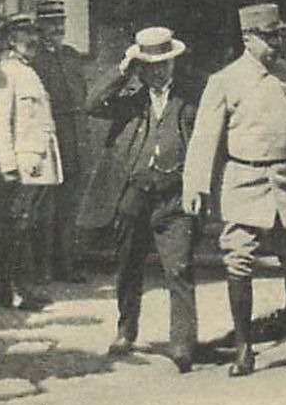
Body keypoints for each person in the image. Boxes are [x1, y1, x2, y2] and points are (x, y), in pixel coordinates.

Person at [184, 3, 286, 378]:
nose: (276, 43)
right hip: (244, 179)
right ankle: (244, 345)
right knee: (239, 260)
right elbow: (205, 137)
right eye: (268, 36)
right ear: (247, 38)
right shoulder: (225, 81)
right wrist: (195, 185)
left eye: (279, 35)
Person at [79, 27, 198, 372]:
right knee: (128, 263)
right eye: (151, 65)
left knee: (179, 267)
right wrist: (122, 69)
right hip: (133, 192)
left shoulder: (191, 95)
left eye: (164, 63)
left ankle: (182, 342)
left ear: (173, 62)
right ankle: (126, 329)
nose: (158, 71)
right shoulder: (129, 97)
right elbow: (90, 103)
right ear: (141, 67)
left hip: (175, 193)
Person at [0, 13, 64, 312]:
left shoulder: (29, 71)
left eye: (34, 33)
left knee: (25, 227)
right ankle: (9, 290)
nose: (33, 39)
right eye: (24, 34)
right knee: (13, 228)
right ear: (10, 39)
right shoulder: (4, 73)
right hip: (20, 165)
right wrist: (6, 164)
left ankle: (23, 287)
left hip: (38, 164)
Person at [32, 0, 88, 283]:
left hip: (75, 140)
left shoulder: (71, 56)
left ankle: (66, 264)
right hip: (52, 141)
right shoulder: (35, 60)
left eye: (60, 22)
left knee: (69, 208)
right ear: (39, 26)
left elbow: (82, 96)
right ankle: (42, 268)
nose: (57, 28)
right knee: (45, 208)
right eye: (51, 22)